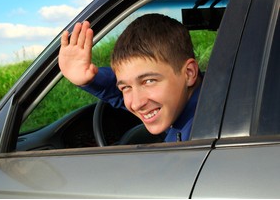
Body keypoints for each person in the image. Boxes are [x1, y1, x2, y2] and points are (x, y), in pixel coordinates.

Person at [58, 13, 202, 142]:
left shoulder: (198, 136)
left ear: (189, 73)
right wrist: (91, 80)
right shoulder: (202, 102)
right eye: (126, 87)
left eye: (149, 81)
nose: (136, 104)